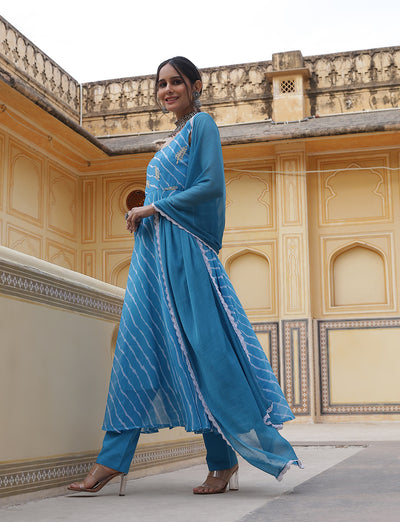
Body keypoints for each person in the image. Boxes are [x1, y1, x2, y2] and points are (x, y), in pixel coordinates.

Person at [68, 56, 302, 496]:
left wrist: (153, 207)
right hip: (152, 258)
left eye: (177, 82)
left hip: (187, 256)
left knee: (204, 354)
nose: (167, 89)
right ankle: (112, 460)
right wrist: (144, 218)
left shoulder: (202, 127)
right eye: (161, 83)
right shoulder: (169, 140)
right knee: (137, 350)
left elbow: (212, 185)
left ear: (196, 85)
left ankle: (223, 461)